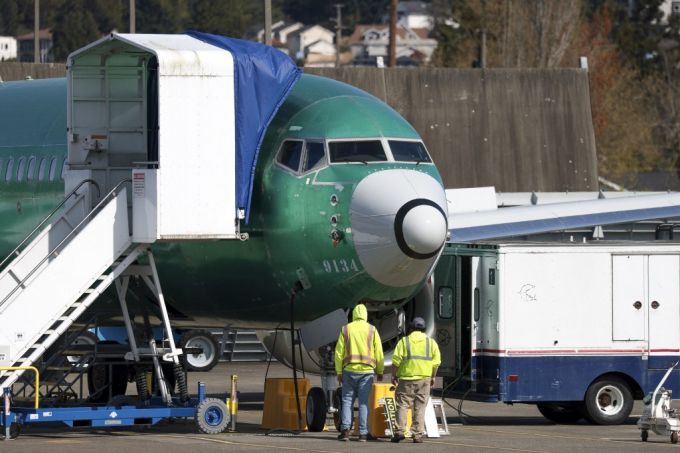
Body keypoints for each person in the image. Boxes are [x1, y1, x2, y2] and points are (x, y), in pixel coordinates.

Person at [334, 303, 384, 442]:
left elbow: (338, 353)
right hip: (367, 372)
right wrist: (380, 371)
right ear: (366, 315)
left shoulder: (346, 329)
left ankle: (345, 431)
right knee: (363, 403)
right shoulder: (372, 330)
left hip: (349, 371)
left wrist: (339, 371)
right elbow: (379, 352)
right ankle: (363, 433)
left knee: (347, 401)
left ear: (354, 314)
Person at [390, 317, 441, 444]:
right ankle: (417, 434)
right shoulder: (431, 342)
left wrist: (393, 375)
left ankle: (399, 431)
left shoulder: (404, 341)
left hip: (406, 379)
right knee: (420, 407)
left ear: (411, 328)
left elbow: (396, 361)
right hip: (424, 379)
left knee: (402, 405)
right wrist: (433, 377)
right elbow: (436, 363)